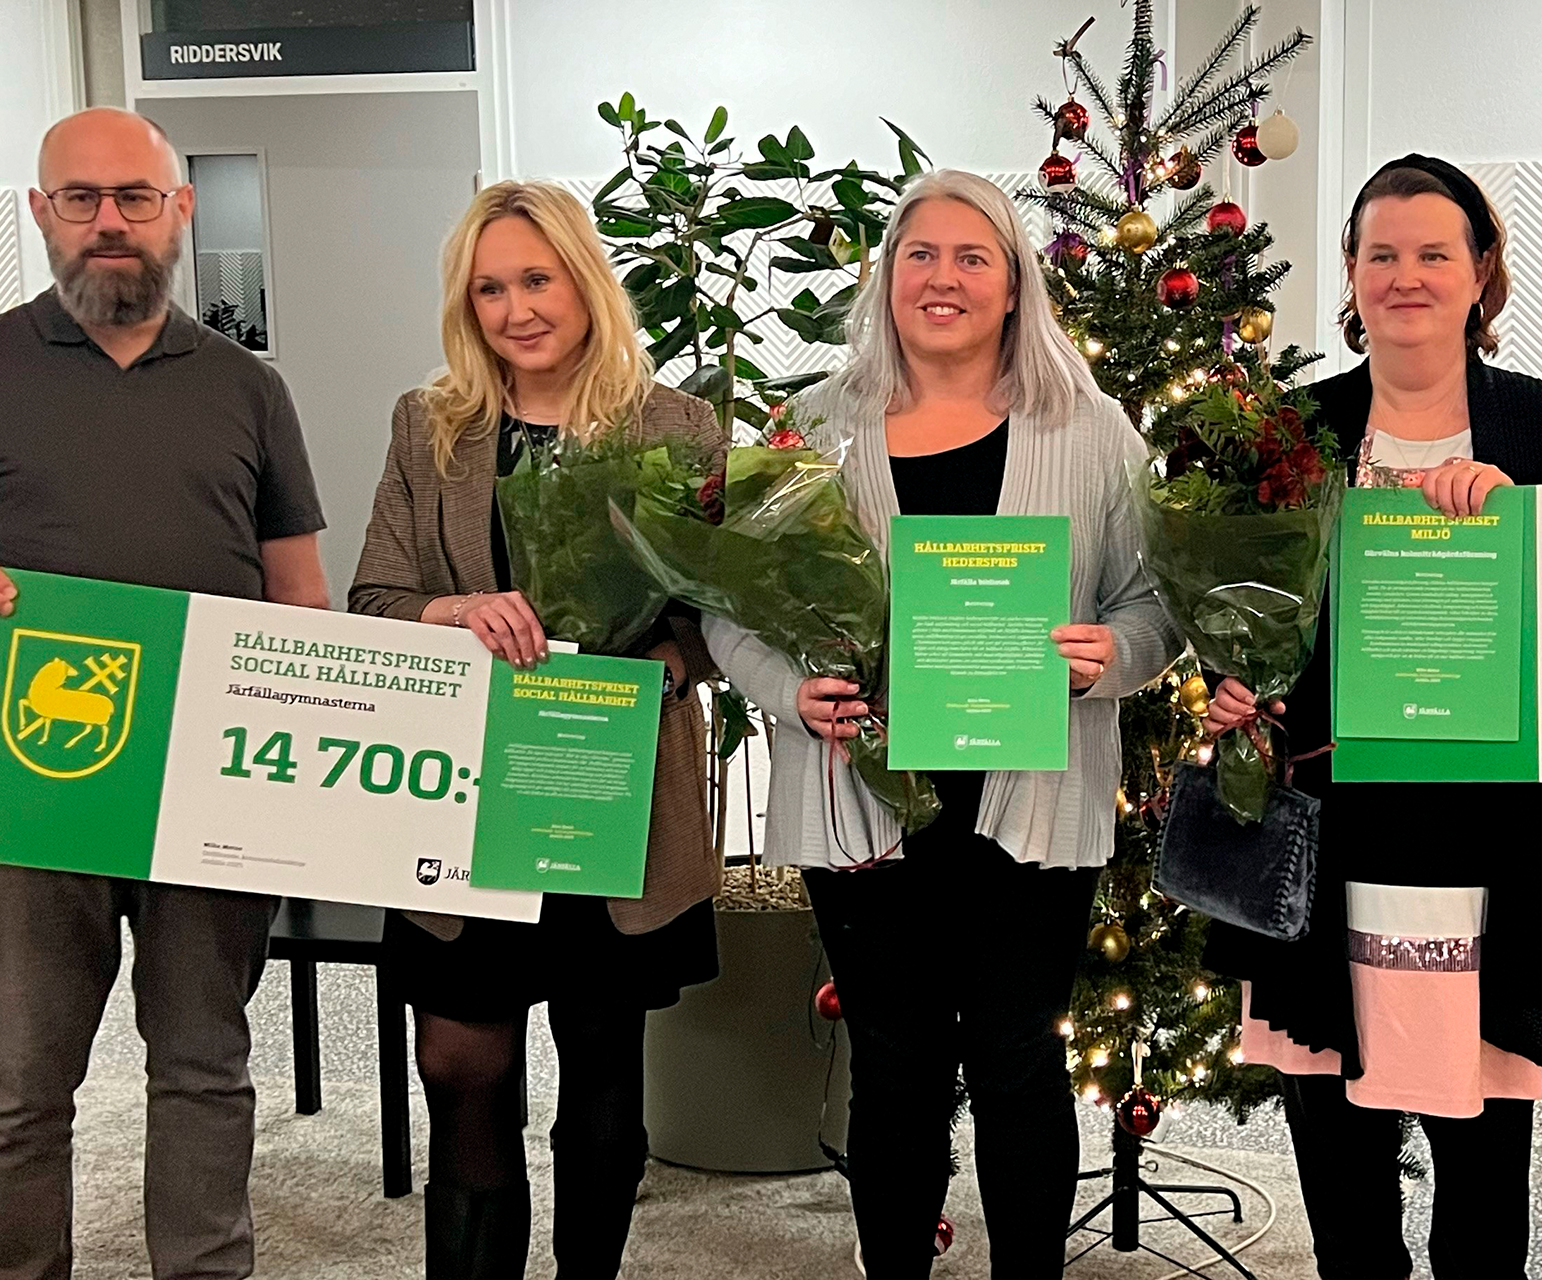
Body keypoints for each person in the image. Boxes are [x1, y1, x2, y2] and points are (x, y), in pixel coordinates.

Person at [703, 169, 1180, 1279]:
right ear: (887, 276)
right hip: (860, 797)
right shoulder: (811, 430)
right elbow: (727, 608)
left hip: (1034, 798)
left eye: (974, 257)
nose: (943, 278)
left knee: (1020, 1063)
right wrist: (787, 692)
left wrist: (1111, 657)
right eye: (920, 254)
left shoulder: (1091, 430)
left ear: (1014, 285)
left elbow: (1155, 603)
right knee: (895, 1067)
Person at [1202, 156, 1542, 1280]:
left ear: (1481, 272)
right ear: (1351, 271)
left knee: (1484, 1180)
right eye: (1382, 253)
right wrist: (1234, 681)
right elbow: (1240, 608)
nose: (1407, 276)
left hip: (1492, 848)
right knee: (1341, 1174)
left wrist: (1520, 529)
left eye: (1436, 252)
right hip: (1331, 839)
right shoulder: (1296, 432)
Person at [349, 180, 723, 1279]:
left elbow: (718, 618)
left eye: (537, 279)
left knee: (602, 1065)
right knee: (459, 1067)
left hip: (611, 791)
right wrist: (455, 610)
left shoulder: (677, 427)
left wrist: (665, 669)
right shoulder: (429, 427)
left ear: (584, 280)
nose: (517, 309)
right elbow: (374, 597)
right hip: (464, 800)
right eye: (490, 289)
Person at [0, 108, 328, 1280]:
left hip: (212, 782)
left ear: (179, 210)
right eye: (80, 197)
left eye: (135, 196)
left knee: (203, 1065)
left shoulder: (248, 386)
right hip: (37, 788)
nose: (109, 221)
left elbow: (299, 596)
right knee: (19, 1081)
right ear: (39, 213)